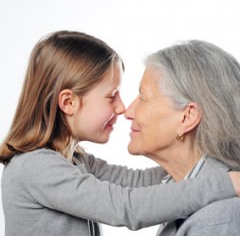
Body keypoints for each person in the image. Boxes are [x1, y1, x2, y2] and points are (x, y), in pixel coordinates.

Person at [0, 31, 238, 236]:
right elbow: (127, 206)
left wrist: (194, 163)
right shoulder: (34, 168)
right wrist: (223, 183)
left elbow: (138, 183)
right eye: (111, 95)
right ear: (68, 102)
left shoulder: (75, 161)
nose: (122, 107)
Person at [125, 40, 240, 235]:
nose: (128, 111)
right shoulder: (180, 188)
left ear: (187, 117)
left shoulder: (217, 218)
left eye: (143, 97)